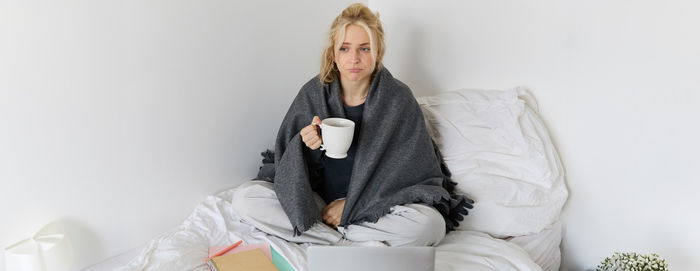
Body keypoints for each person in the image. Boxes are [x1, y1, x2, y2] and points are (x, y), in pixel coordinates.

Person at [232, 3, 472, 247]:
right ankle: (340, 239)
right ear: (333, 55)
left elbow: (409, 174)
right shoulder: (313, 94)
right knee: (246, 198)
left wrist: (351, 205)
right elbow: (288, 168)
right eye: (345, 48)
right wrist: (307, 145)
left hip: (373, 207)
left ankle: (328, 235)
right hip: (319, 203)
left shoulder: (398, 99)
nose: (354, 59)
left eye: (364, 49)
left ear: (377, 53)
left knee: (430, 226)